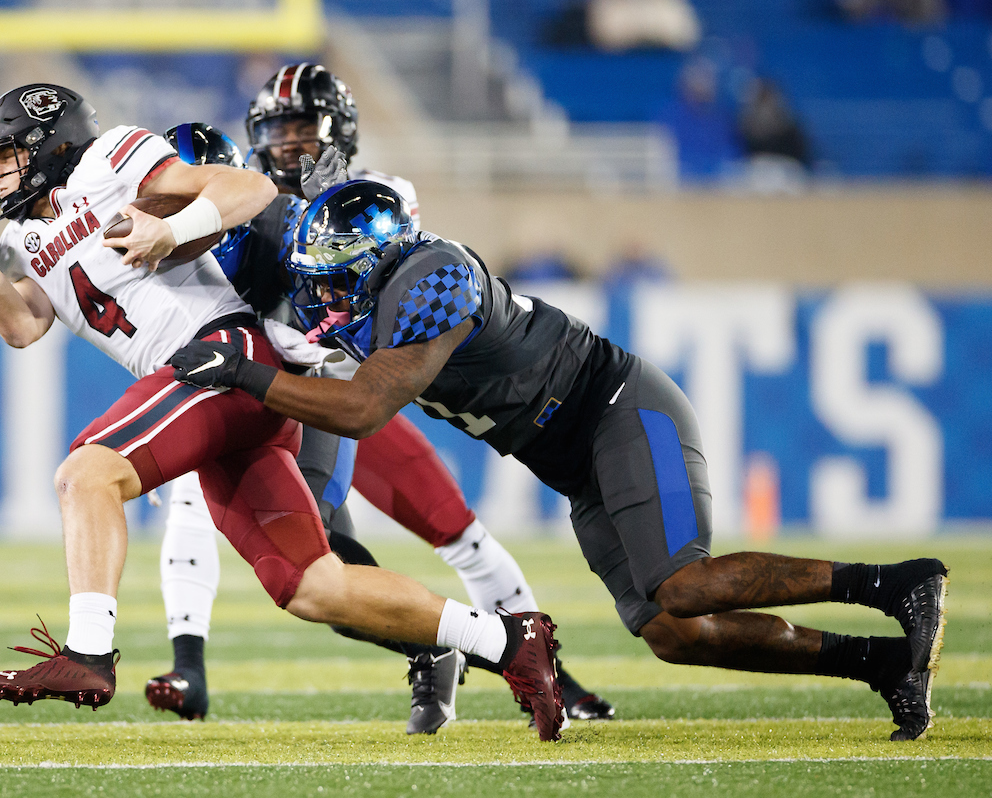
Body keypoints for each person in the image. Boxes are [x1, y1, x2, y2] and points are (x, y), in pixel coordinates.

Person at [169, 179, 949, 743]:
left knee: (685, 583)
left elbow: (366, 407)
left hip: (615, 407)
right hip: (572, 457)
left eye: (337, 280)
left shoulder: (434, 279)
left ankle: (895, 583)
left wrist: (244, 375)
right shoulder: (373, 285)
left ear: (375, 262)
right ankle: (881, 665)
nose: (324, 299)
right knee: (676, 633)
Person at [0, 83, 567, 741]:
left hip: (222, 353)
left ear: (52, 144)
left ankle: (88, 653)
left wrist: (170, 227)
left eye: (5, 155)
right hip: (207, 387)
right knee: (314, 587)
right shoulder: (25, 233)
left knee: (87, 473)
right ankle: (510, 642)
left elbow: (250, 191)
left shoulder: (112, 158)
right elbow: (21, 324)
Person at [146, 64, 614, 734]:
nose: (288, 140)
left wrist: (320, 200)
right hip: (278, 393)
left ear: (338, 127)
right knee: (320, 565)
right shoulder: (234, 196)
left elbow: (370, 287)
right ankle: (427, 649)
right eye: (276, 127)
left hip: (346, 391)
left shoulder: (378, 196)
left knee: (452, 529)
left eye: (303, 125)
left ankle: (554, 677)